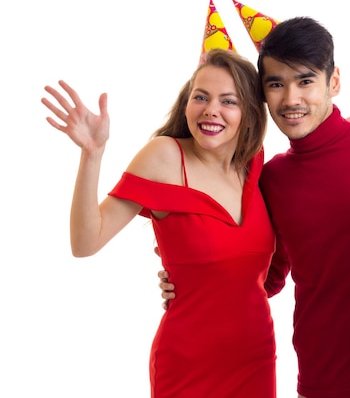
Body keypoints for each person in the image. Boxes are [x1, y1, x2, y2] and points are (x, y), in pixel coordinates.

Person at [160, 17, 350, 397]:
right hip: (319, 384)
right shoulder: (272, 179)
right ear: (262, 94)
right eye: (275, 84)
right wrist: (192, 279)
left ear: (333, 81)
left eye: (305, 81)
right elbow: (265, 280)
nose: (290, 99)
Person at [42, 49, 277, 398]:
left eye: (228, 100)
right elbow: (85, 243)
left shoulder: (253, 166)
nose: (211, 108)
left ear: (250, 113)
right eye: (201, 97)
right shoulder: (165, 157)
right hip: (188, 365)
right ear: (186, 104)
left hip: (255, 357)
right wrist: (92, 153)